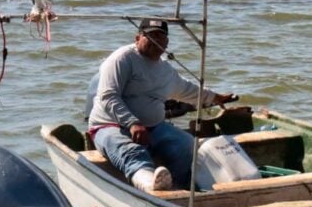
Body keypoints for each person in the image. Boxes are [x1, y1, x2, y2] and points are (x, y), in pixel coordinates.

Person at [88, 18, 237, 192]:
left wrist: (216, 97)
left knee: (187, 144)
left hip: (154, 128)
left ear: (166, 42)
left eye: (160, 36)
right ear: (138, 38)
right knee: (133, 152)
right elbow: (108, 96)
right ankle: (150, 186)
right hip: (111, 126)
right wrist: (132, 123)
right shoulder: (122, 59)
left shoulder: (165, 69)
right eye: (150, 36)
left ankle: (178, 187)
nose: (155, 40)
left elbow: (186, 89)